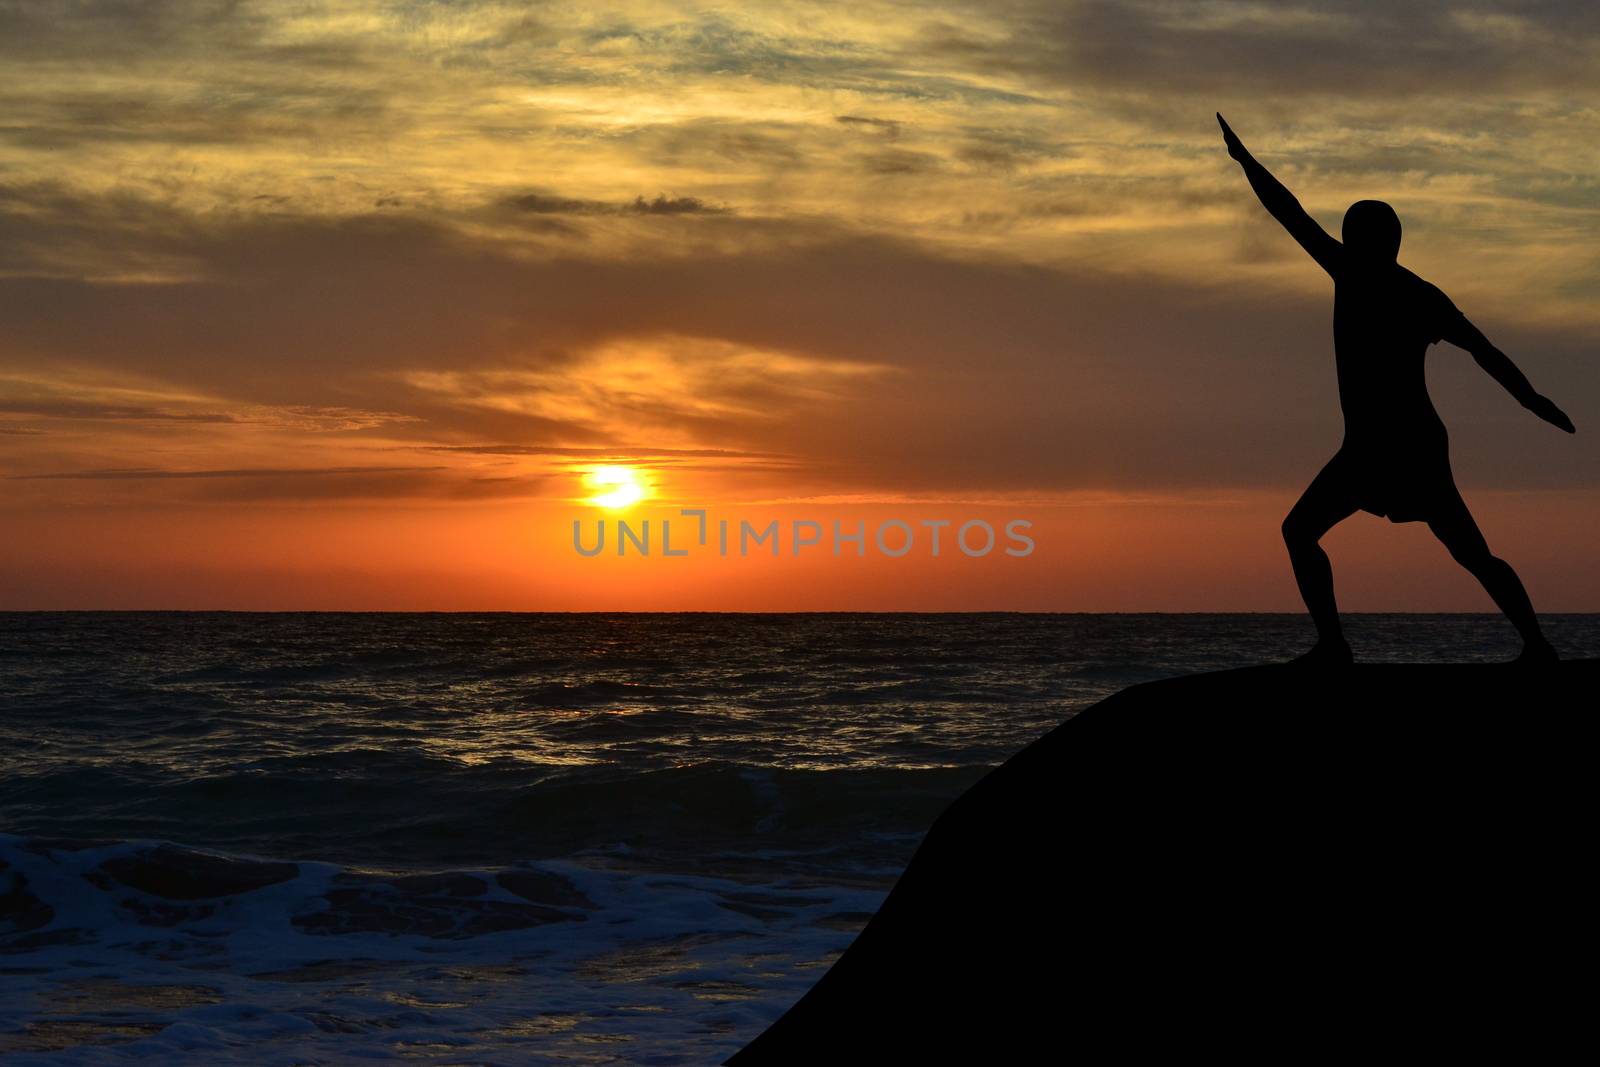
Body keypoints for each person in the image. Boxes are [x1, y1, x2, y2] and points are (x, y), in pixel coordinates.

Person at [1216, 113, 1575, 665]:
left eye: (1357, 235)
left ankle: (1535, 644)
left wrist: (1531, 399)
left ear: (1380, 242)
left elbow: (1483, 349)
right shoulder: (1381, 280)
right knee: (1303, 531)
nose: (1347, 241)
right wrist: (1246, 162)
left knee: (1470, 552)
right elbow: (1289, 213)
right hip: (1368, 448)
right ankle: (1336, 646)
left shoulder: (1391, 286)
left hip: (1409, 446)